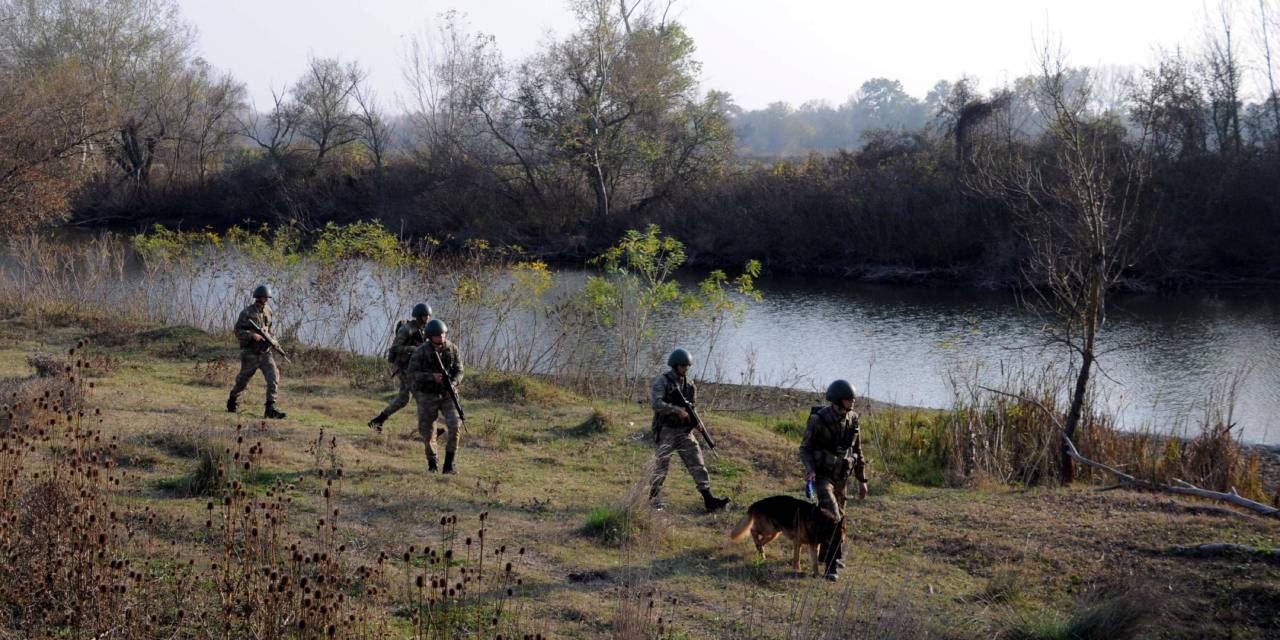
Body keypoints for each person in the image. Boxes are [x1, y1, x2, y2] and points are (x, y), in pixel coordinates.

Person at [799, 379, 869, 581]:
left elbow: (857, 451)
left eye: (853, 399)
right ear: (838, 400)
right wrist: (810, 470)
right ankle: (831, 567)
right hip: (823, 476)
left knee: (841, 518)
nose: (853, 402)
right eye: (849, 399)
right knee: (832, 515)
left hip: (842, 477)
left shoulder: (853, 419)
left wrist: (862, 479)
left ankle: (829, 555)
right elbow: (805, 448)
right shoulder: (818, 420)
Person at [648, 348, 730, 513]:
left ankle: (709, 499)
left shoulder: (689, 385)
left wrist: (696, 422)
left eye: (688, 366)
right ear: (676, 365)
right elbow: (656, 403)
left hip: (684, 431)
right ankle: (653, 499)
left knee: (697, 462)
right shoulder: (662, 381)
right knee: (661, 466)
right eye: (684, 365)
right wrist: (676, 410)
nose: (686, 368)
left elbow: (691, 407)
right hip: (666, 431)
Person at [404, 318, 464, 473]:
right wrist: (432, 377)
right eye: (438, 335)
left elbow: (460, 370)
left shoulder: (452, 349)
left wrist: (454, 383)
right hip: (427, 395)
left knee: (455, 424)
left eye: (444, 334)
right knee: (428, 431)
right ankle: (432, 463)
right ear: (430, 336)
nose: (442, 337)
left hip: (448, 393)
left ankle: (449, 464)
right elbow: (411, 374)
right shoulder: (421, 352)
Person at [367, 303, 433, 432]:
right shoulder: (407, 329)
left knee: (403, 399)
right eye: (426, 316)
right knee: (421, 396)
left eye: (429, 316)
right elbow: (395, 348)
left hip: (415, 368)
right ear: (419, 316)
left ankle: (378, 421)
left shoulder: (424, 329)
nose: (428, 318)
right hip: (405, 369)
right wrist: (414, 349)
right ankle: (429, 430)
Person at [227, 285, 287, 419]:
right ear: (258, 297)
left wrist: (274, 342)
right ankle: (232, 400)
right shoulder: (247, 312)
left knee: (273, 378)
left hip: (265, 353)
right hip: (250, 353)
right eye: (264, 297)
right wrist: (252, 335)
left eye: (267, 297)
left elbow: (270, 330)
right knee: (243, 381)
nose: (266, 300)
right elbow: (238, 331)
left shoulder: (268, 312)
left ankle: (270, 408)